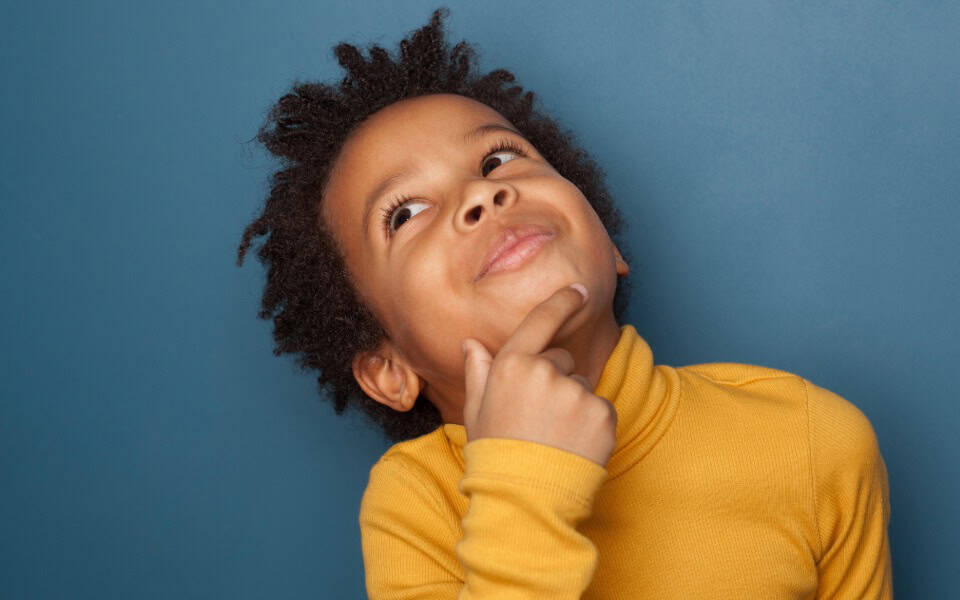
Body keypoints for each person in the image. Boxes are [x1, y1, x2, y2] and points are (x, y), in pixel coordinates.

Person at [236, 8, 893, 599]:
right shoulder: (417, 504)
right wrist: (527, 479)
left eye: (498, 160)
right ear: (389, 368)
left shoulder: (811, 439)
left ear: (608, 244)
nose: (482, 195)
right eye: (404, 213)